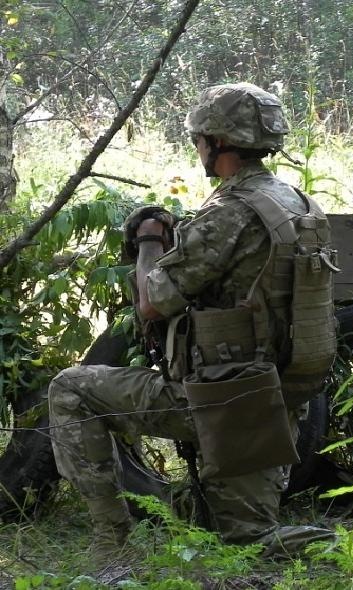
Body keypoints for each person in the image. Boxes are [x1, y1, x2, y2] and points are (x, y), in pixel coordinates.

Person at [48, 82, 334, 565]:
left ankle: (110, 542)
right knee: (243, 538)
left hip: (220, 398)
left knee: (70, 388)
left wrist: (148, 241)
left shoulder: (231, 211)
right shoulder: (297, 203)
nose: (198, 147)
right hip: (275, 399)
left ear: (216, 142)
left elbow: (153, 303)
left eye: (199, 139)